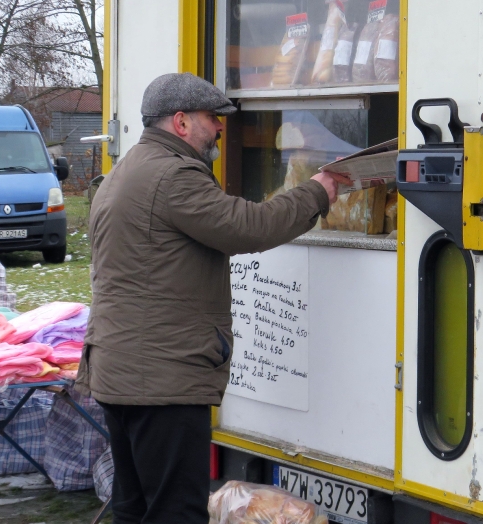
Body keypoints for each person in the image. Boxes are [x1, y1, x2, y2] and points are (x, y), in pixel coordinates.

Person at [75, 72, 347, 524]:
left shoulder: (127, 168)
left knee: (133, 506)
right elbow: (249, 227)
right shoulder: (172, 175)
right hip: (160, 379)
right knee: (176, 512)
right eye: (212, 117)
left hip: (122, 370)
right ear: (181, 122)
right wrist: (316, 192)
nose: (221, 127)